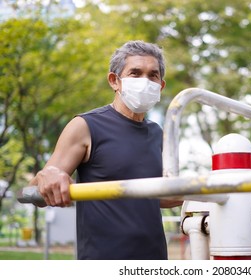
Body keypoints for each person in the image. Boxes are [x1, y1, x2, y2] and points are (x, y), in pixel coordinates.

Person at [30, 40, 182, 260]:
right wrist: (47, 175)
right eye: (135, 73)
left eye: (152, 75)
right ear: (114, 81)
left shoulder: (158, 133)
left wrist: (207, 192)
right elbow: (36, 188)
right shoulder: (85, 126)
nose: (145, 81)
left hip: (154, 259)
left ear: (161, 85)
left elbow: (152, 196)